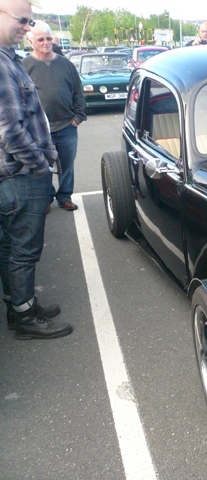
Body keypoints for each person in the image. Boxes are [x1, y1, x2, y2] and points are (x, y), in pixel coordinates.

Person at [0, 0, 73, 339]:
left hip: (20, 173)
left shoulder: (8, 60)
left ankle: (21, 306)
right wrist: (41, 163)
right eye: (23, 20)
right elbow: (9, 131)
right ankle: (25, 318)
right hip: (22, 175)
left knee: (13, 248)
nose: (28, 28)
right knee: (24, 250)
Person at [23, 20, 85, 212]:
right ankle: (47, 197)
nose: (46, 42)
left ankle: (64, 197)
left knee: (67, 165)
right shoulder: (24, 66)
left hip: (67, 126)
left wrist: (78, 117)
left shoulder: (66, 64)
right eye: (40, 39)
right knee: (43, 167)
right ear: (30, 41)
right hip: (39, 130)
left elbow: (78, 92)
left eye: (49, 38)